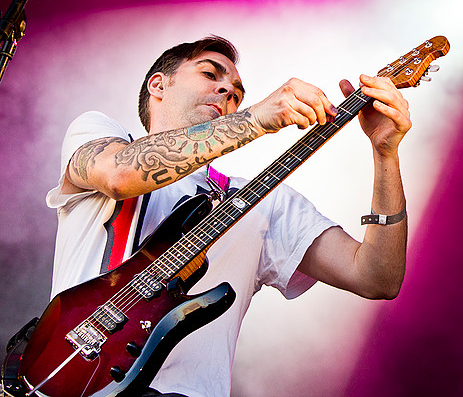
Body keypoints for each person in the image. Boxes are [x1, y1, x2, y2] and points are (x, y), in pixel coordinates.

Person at [46, 35, 411, 397]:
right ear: (158, 84)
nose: (227, 92)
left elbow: (376, 277)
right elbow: (118, 175)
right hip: (61, 380)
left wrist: (385, 155)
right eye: (210, 75)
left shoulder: (265, 203)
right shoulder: (99, 133)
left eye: (237, 94)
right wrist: (256, 120)